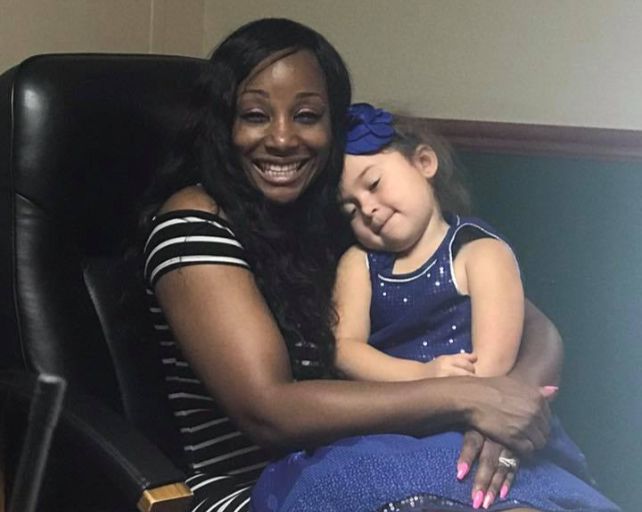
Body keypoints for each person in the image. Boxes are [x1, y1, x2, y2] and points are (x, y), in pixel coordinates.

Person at [143, 18, 566, 512]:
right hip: (253, 487)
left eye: (306, 116)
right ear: (222, 125)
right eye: (255, 115)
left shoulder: (352, 217)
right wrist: (468, 398)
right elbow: (268, 410)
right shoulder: (193, 222)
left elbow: (538, 329)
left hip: (391, 456)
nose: (283, 138)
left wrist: (508, 408)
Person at [250, 103, 620, 511]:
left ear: (424, 163)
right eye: (350, 209)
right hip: (389, 429)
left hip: (474, 425)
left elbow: (492, 369)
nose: (367, 209)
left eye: (374, 184)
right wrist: (424, 377)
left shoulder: (482, 253)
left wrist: (461, 394)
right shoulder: (359, 263)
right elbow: (345, 349)